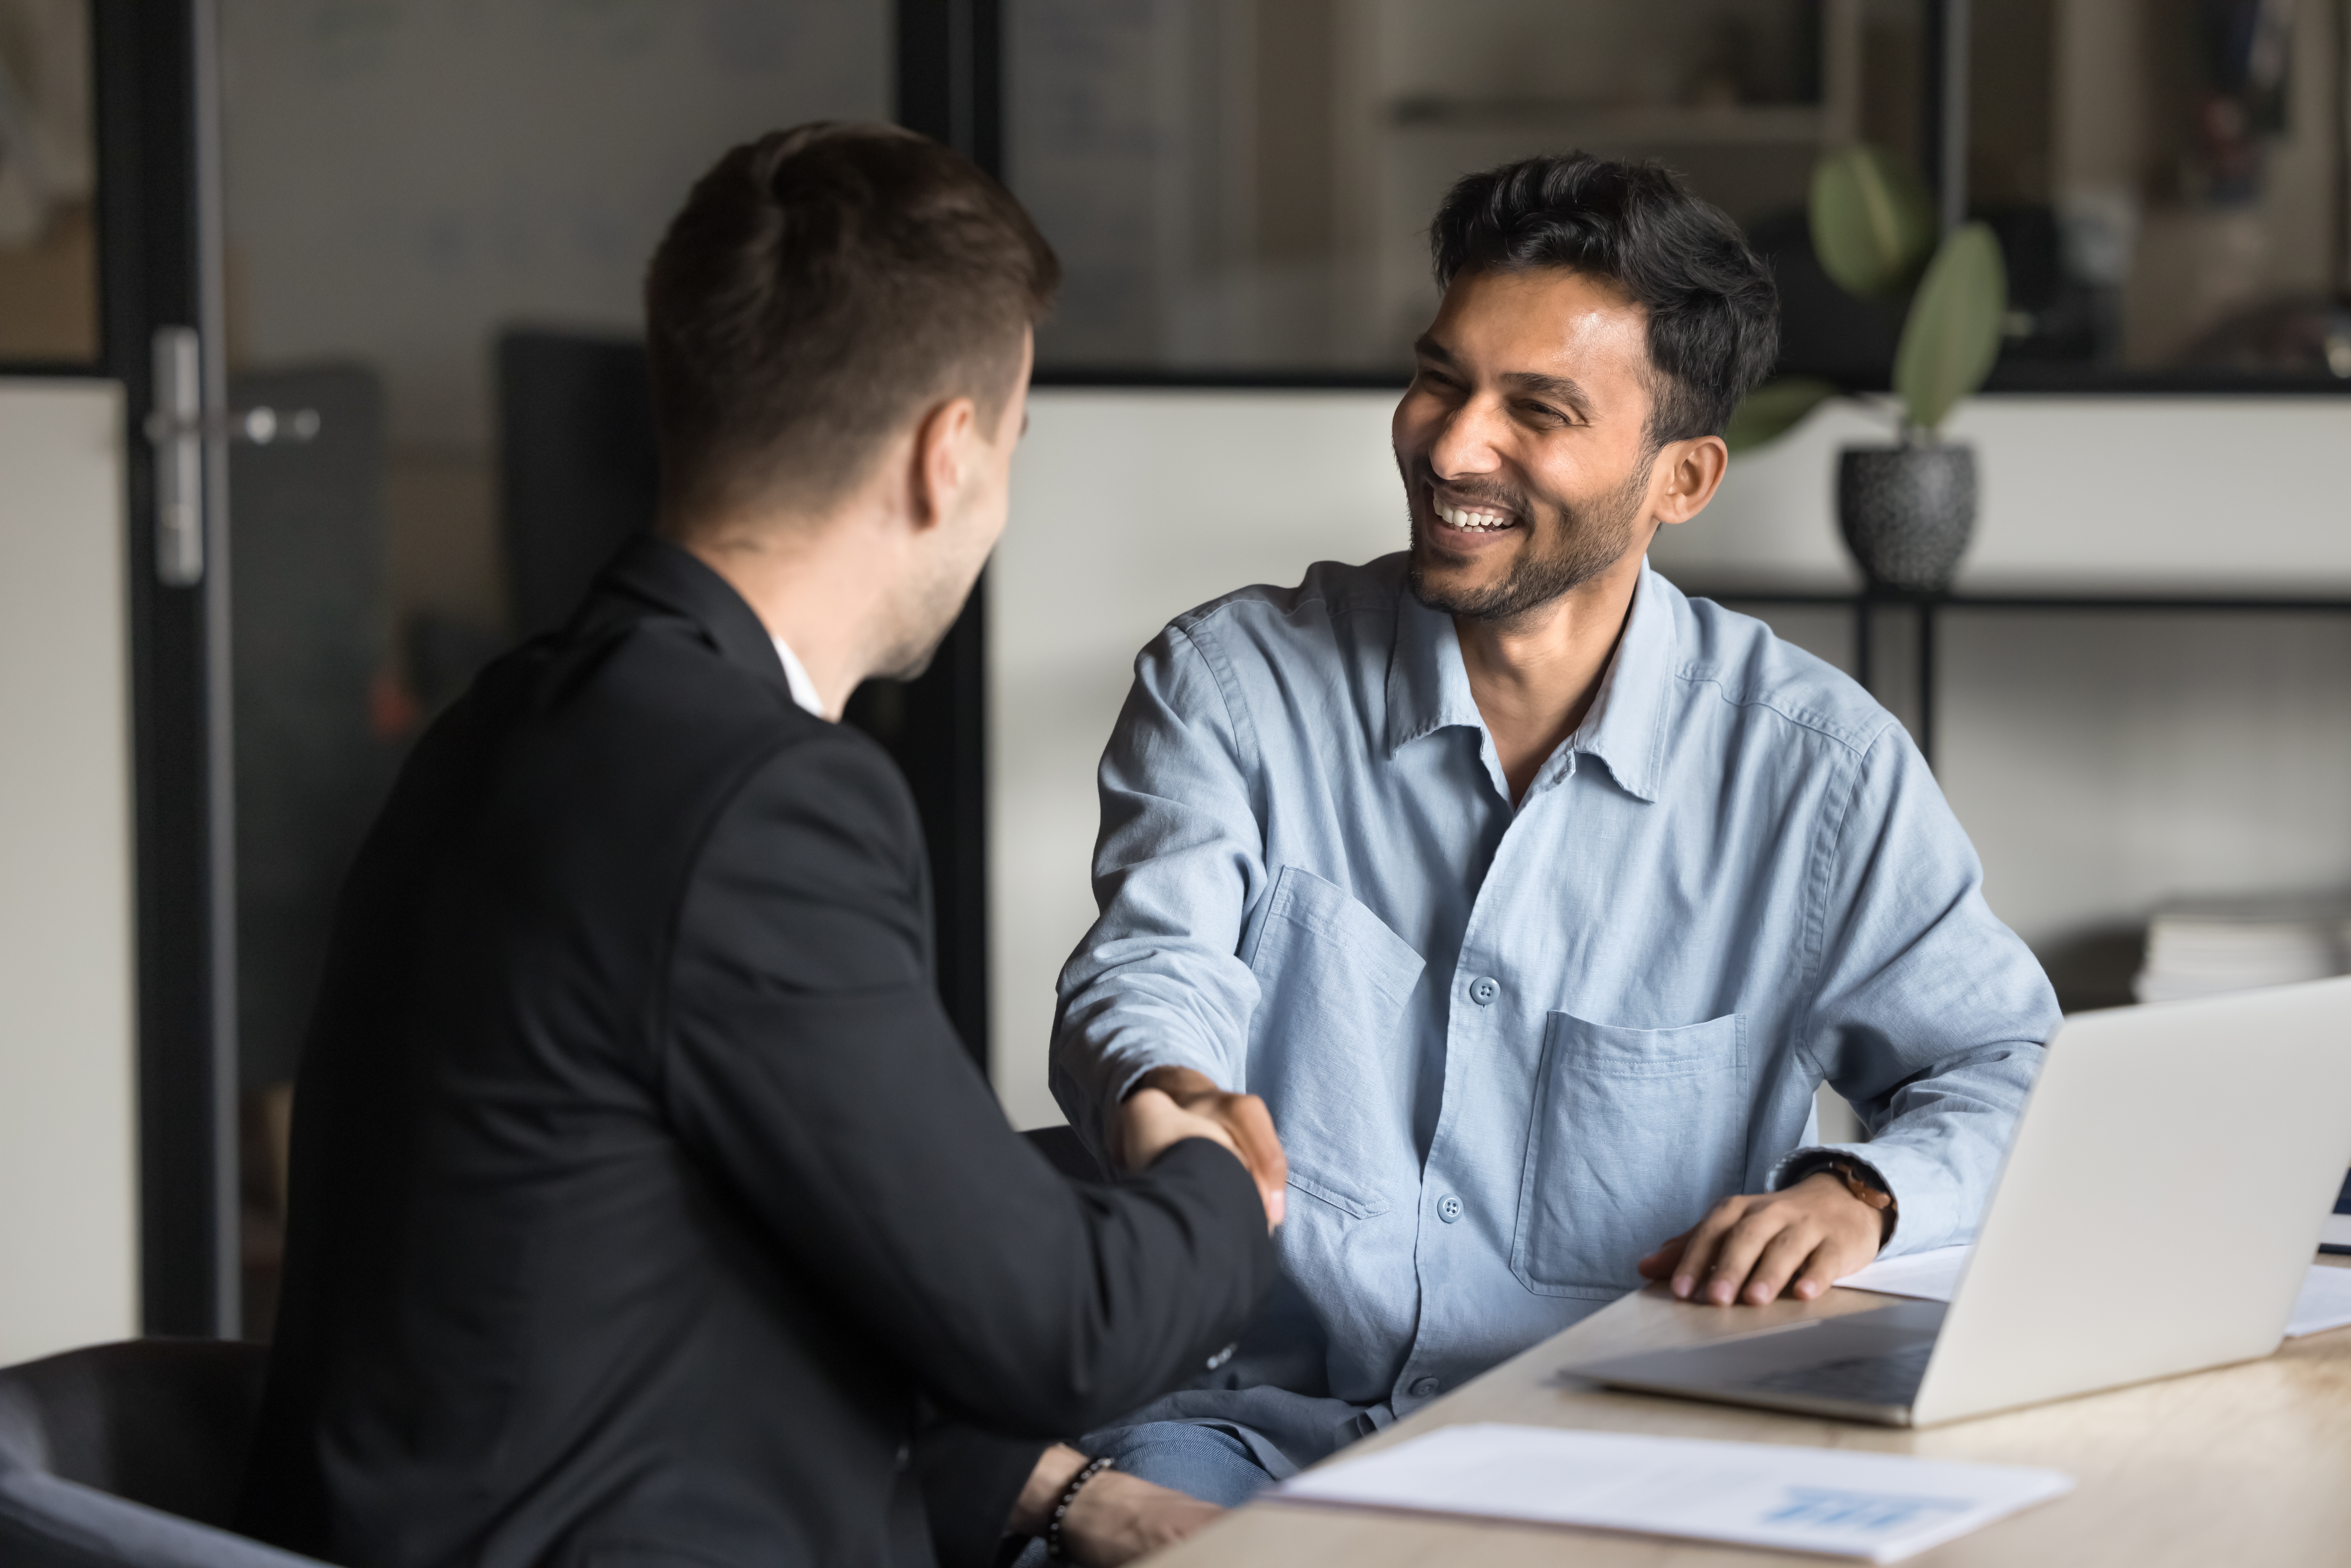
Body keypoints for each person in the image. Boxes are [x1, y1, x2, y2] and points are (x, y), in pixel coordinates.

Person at [238, 122, 1290, 1568]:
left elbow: (726, 1242)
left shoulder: (513, 721)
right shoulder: (757, 798)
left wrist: (1045, 1492)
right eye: (1015, 443)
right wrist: (1219, 1177)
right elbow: (1065, 1327)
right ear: (949, 454)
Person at [1046, 152, 2059, 1502]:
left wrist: (1858, 1193)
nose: (1454, 445)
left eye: (1536, 409)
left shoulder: (1816, 774)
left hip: (1618, 1452)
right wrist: (1164, 1089)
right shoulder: (1229, 685)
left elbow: (2007, 1070)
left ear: (1680, 478)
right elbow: (1149, 966)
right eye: (1438, 379)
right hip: (1242, 1429)